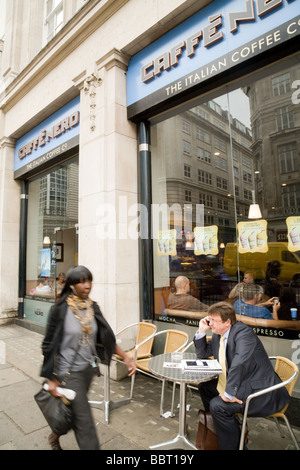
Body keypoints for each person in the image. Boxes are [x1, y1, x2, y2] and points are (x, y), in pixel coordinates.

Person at [40, 265, 136, 450]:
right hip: (67, 373)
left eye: (89, 280)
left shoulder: (93, 308)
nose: (87, 285)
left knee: (72, 411)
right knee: (85, 422)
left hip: (87, 370)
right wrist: (50, 378)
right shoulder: (59, 310)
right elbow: (47, 345)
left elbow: (106, 338)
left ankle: (55, 434)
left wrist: (125, 357)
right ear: (71, 285)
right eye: (81, 281)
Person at [194, 301, 290, 450]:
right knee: (205, 388)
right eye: (209, 319)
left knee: (218, 406)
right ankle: (224, 429)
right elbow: (203, 354)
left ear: (227, 322)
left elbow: (240, 362)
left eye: (213, 321)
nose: (210, 324)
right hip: (241, 381)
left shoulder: (243, 333)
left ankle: (234, 446)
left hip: (260, 391)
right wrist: (201, 331)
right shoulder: (218, 334)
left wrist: (229, 393)